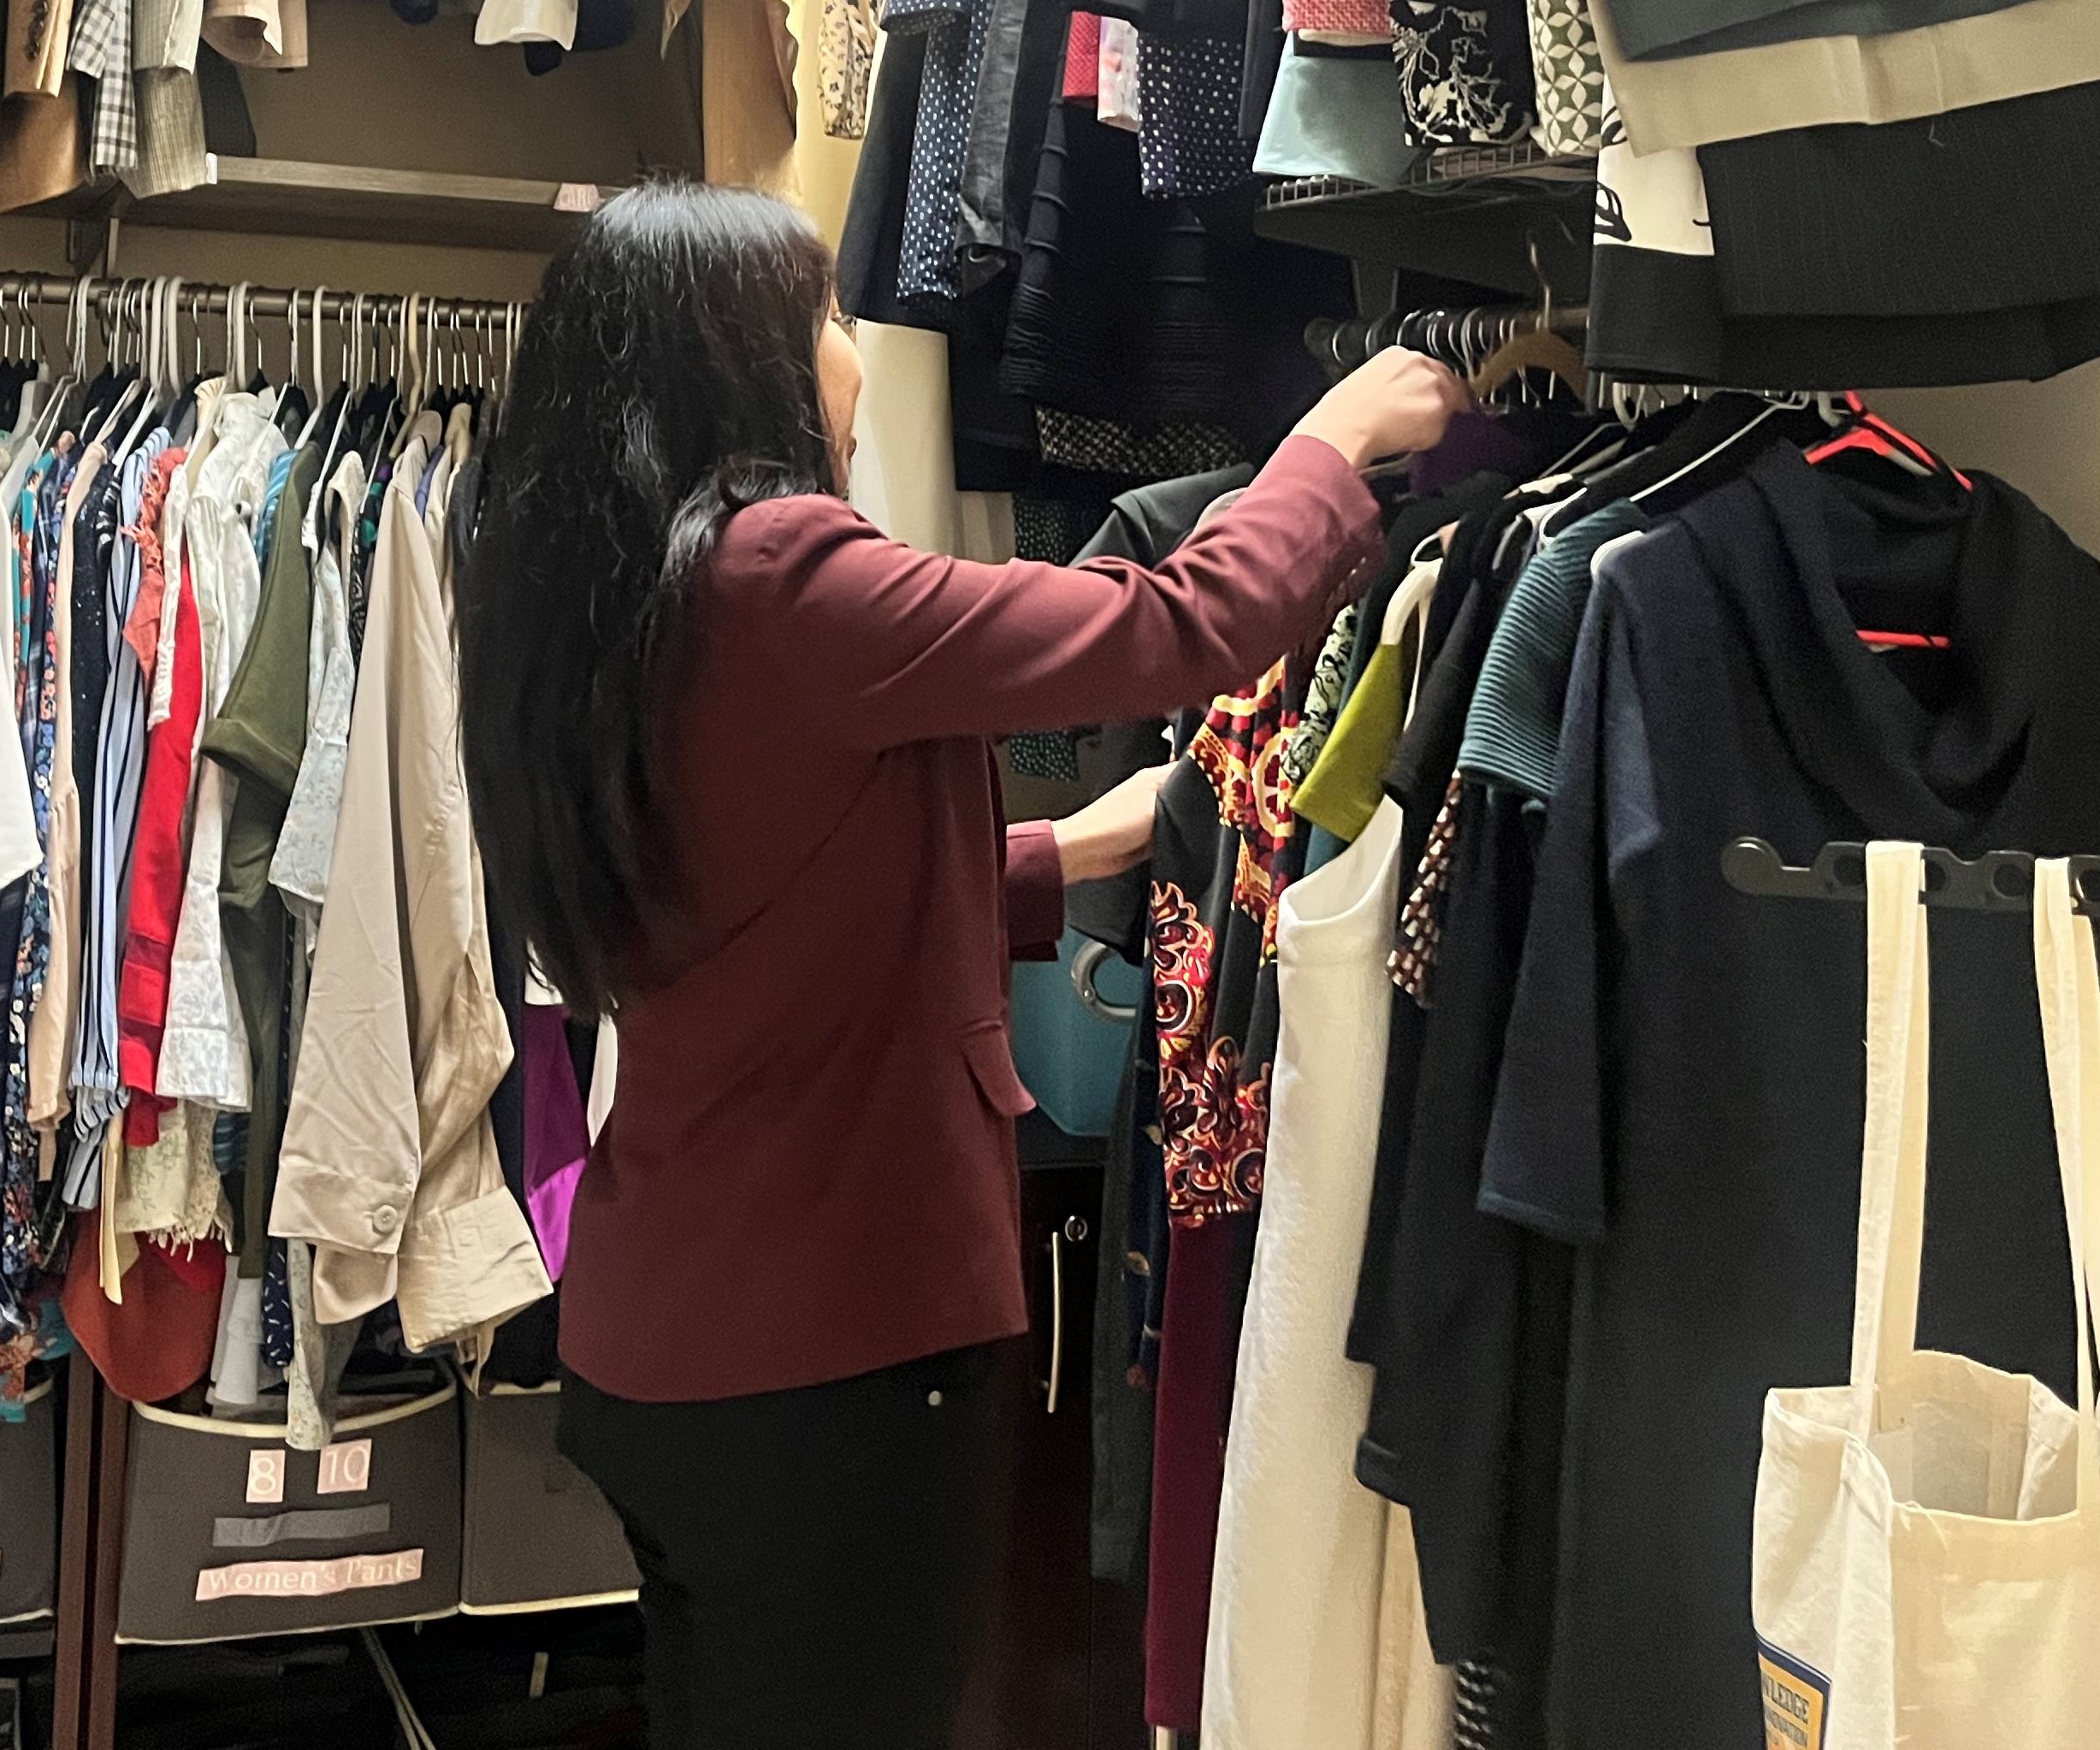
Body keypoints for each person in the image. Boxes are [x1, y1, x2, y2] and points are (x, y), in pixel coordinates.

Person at [454, 180, 1465, 1750]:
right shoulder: (787, 571)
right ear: (748, 356)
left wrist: (1076, 853)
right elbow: (1174, 624)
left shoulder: (616, 594)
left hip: (674, 1341)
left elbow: (758, 907)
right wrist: (1326, 446)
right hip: (826, 1358)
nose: (852, 355)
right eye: (829, 317)